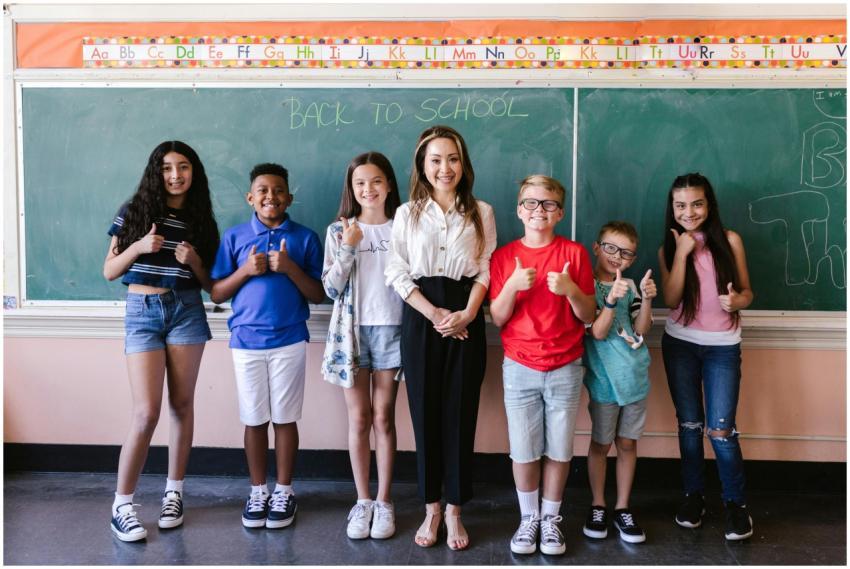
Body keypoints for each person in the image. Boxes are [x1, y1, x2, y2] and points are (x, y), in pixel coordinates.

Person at [384, 125, 496, 550]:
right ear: (422, 165)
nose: (444, 168)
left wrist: (467, 313)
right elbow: (396, 271)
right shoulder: (406, 213)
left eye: (452, 159)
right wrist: (433, 313)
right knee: (425, 413)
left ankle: (455, 510)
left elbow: (485, 268)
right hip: (421, 317)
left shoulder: (481, 212)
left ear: (463, 164)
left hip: (466, 316)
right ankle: (432, 508)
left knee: (460, 414)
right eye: (435, 160)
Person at [103, 140, 219, 542]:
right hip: (143, 312)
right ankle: (122, 505)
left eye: (183, 167)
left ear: (193, 171)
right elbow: (110, 270)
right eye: (167, 167)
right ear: (156, 172)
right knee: (146, 413)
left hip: (186, 309)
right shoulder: (133, 211)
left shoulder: (201, 219)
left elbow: (211, 285)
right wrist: (139, 246)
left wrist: (195, 262)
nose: (175, 175)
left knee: (182, 405)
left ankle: (174, 493)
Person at [210, 163, 324, 530]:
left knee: (285, 417)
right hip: (246, 342)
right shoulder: (235, 237)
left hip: (289, 340)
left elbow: (319, 294)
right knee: (254, 418)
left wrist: (290, 268)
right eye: (262, 190)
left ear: (289, 198)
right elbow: (216, 293)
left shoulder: (305, 238)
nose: (270, 197)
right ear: (250, 198)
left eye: (278, 191)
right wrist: (245, 270)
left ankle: (284, 490)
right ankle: (258, 490)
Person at [489, 175, 595, 555]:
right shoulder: (503, 257)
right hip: (519, 365)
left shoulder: (575, 254)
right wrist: (513, 285)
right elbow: (497, 317)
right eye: (531, 203)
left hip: (565, 365)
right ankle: (528, 518)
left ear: (560, 213)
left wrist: (571, 291)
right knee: (523, 449)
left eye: (548, 204)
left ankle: (551, 520)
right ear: (519, 210)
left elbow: (588, 314)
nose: (539, 210)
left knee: (560, 449)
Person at [657, 172, 754, 541]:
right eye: (680, 205)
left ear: (709, 205)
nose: (689, 212)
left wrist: (737, 300)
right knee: (690, 426)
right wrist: (682, 253)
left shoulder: (730, 240)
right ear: (672, 209)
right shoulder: (668, 248)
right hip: (680, 344)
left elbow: (747, 292)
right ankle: (693, 497)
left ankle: (735, 504)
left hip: (722, 347)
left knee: (721, 430)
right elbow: (671, 298)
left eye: (697, 203)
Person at [321, 152, 403, 540]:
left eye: (375, 181)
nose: (368, 189)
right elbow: (331, 288)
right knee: (359, 419)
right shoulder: (339, 230)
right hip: (350, 334)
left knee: (383, 417)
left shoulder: (403, 227)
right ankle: (363, 500)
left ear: (388, 185)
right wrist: (349, 247)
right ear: (351, 189)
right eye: (360, 183)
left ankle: (385, 501)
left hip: (393, 331)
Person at [582, 221, 656, 544]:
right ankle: (598, 504)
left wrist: (648, 299)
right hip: (603, 381)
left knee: (627, 443)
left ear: (633, 259)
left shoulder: (630, 287)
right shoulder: (586, 287)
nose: (616, 257)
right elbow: (597, 332)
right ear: (597, 248)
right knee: (601, 444)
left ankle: (622, 507)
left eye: (625, 253)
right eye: (611, 248)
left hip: (634, 378)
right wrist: (610, 300)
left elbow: (641, 329)